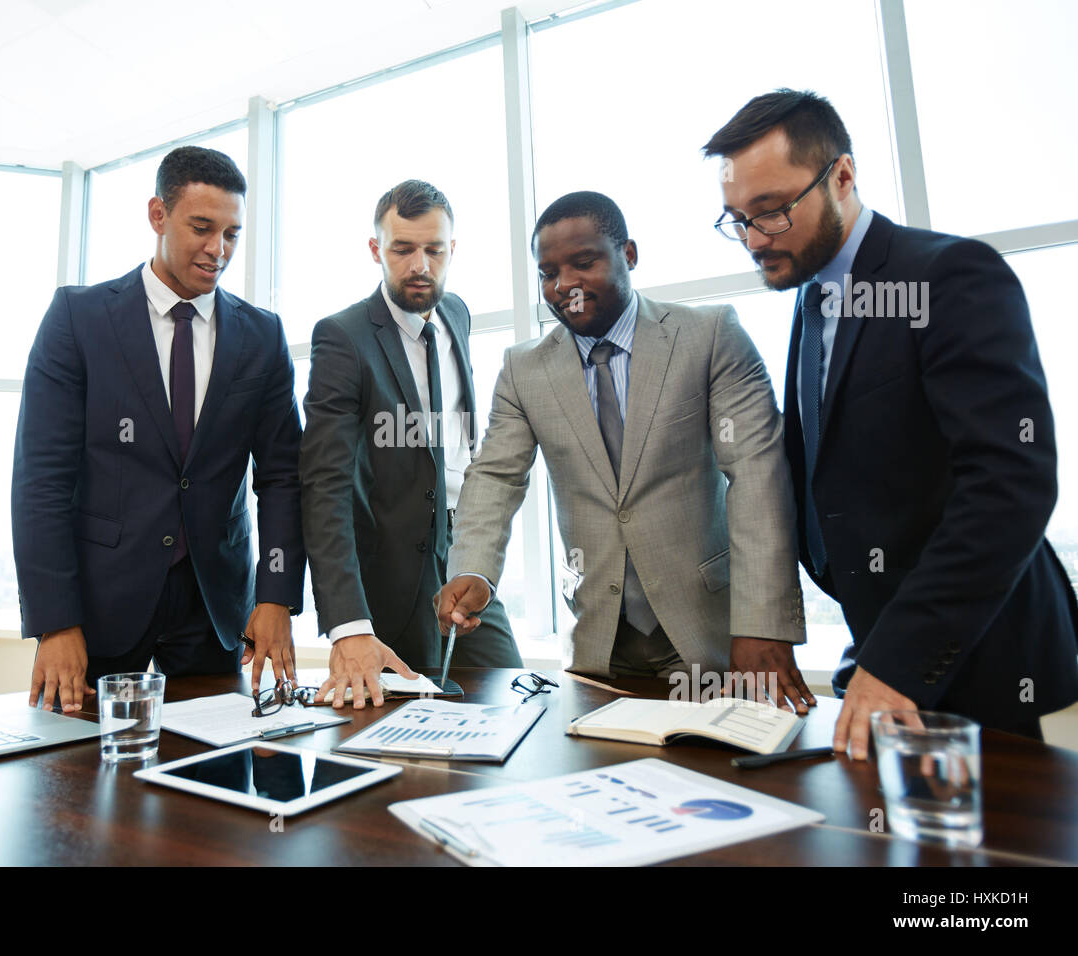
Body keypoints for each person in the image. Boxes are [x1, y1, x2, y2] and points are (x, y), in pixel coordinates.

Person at [702, 88, 1078, 754]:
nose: (755, 240)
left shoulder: (948, 276)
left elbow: (1009, 486)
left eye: (773, 212)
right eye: (736, 219)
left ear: (842, 176)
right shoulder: (812, 301)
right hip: (881, 658)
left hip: (992, 670)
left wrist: (898, 661)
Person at [436, 191, 812, 710]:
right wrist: (474, 568)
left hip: (712, 638)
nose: (564, 284)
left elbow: (756, 475)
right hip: (599, 646)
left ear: (628, 255)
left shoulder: (709, 336)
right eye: (548, 272)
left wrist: (763, 624)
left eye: (583, 262)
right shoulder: (523, 370)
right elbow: (496, 478)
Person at [12, 146, 304, 713]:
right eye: (202, 227)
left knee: (217, 782)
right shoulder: (79, 319)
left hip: (216, 606)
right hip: (97, 607)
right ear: (157, 214)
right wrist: (55, 621)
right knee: (80, 786)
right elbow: (41, 478)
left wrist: (276, 598)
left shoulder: (262, 337)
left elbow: (283, 478)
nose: (218, 250)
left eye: (232, 234)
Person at [302, 180, 522, 710]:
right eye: (402, 249)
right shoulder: (343, 337)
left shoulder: (458, 316)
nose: (419, 264)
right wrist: (348, 624)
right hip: (392, 574)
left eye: (434, 249)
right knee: (408, 731)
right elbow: (324, 486)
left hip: (464, 552)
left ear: (452, 250)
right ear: (377, 250)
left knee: (515, 697)